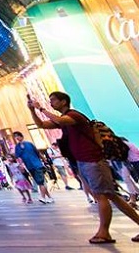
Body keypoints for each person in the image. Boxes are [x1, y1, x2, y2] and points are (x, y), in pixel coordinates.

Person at [28, 91, 139, 245]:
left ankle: (104, 232)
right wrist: (32, 111)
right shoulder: (65, 119)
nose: (51, 103)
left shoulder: (74, 116)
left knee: (101, 196)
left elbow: (59, 120)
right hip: (85, 161)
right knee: (111, 196)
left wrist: (41, 109)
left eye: (53, 100)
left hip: (93, 160)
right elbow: (42, 125)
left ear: (63, 102)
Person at [12, 131, 53, 203]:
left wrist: (44, 159)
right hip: (29, 166)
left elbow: (37, 152)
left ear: (21, 136)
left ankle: (43, 197)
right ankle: (50, 197)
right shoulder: (17, 147)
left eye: (18, 136)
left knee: (40, 182)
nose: (17, 137)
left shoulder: (29, 144)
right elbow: (18, 157)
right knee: (39, 182)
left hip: (37, 164)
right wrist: (21, 166)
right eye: (15, 136)